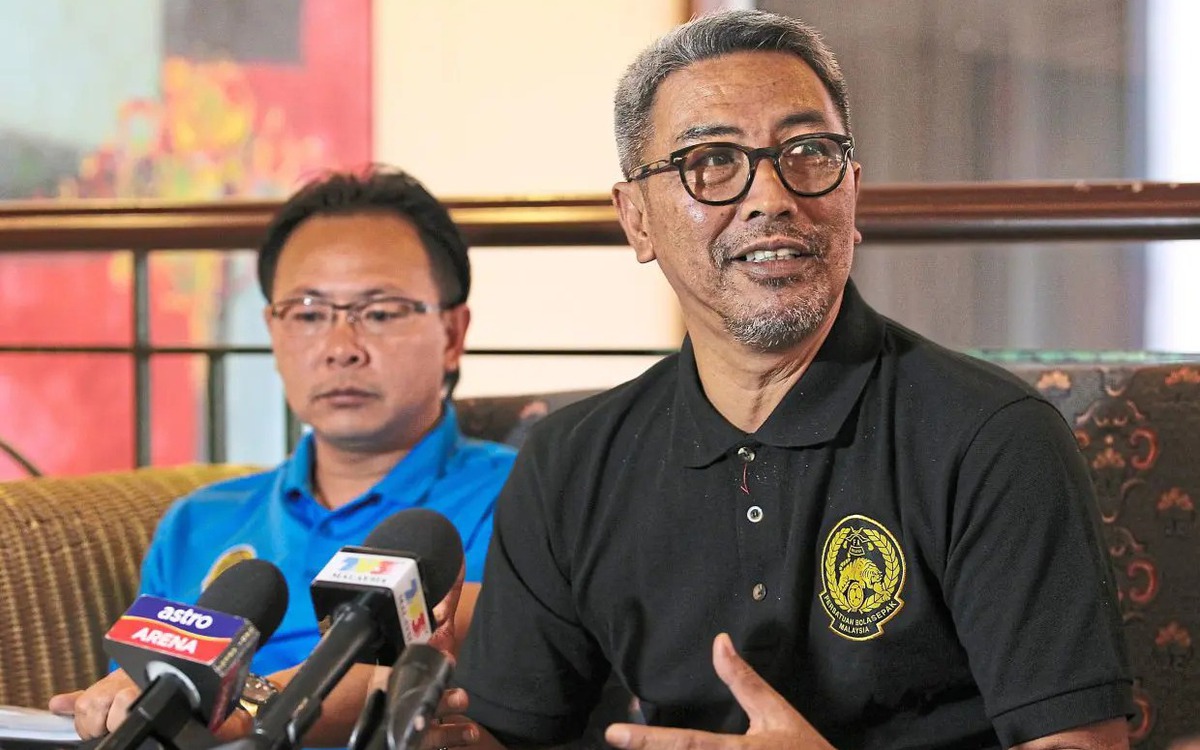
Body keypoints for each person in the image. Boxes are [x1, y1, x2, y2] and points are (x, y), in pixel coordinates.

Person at [456, 9, 1132, 750]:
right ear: (637, 220)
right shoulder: (569, 463)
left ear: (853, 192)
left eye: (808, 152)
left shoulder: (991, 440)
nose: (772, 197)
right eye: (712, 160)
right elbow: (508, 734)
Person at [49, 167, 515, 748]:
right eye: (309, 313)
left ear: (452, 333)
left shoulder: (527, 495)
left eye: (380, 312)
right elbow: (135, 693)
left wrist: (242, 705)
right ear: (274, 330)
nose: (341, 348)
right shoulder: (199, 522)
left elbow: (449, 660)